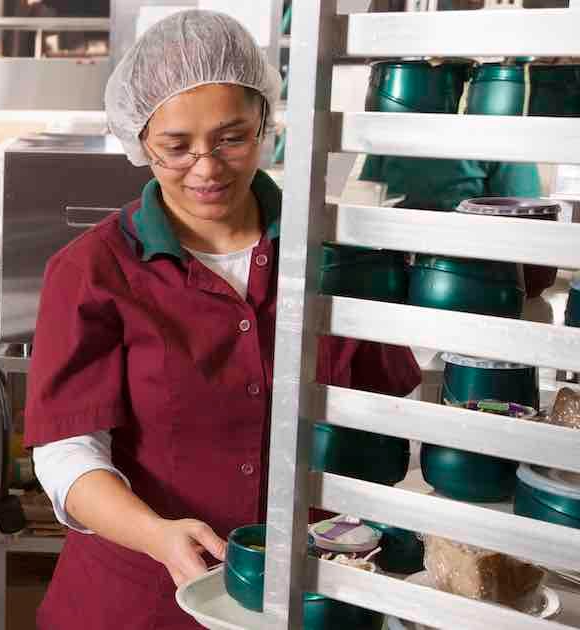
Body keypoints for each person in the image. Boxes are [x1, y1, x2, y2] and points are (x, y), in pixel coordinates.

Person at [24, 11, 422, 629]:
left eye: (232, 138)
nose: (207, 168)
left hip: (312, 590)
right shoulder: (92, 271)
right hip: (138, 600)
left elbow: (390, 413)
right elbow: (67, 453)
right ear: (139, 139)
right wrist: (156, 535)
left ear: (265, 124)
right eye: (176, 147)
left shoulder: (342, 252)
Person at [360, 155, 557, 298]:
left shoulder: (501, 133)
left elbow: (525, 225)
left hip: (471, 287)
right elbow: (366, 201)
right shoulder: (391, 126)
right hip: (390, 278)